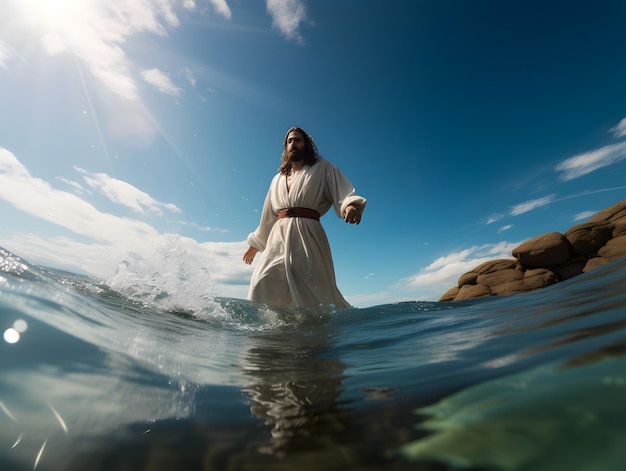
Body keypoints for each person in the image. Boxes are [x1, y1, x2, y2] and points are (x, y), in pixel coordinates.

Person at [243, 126, 366, 308]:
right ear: (285, 147)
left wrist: (349, 205)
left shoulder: (323, 168)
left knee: (311, 290)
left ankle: (315, 334)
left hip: (308, 234)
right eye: (289, 141)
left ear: (306, 144)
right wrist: (256, 244)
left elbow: (342, 190)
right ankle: (270, 335)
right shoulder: (277, 179)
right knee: (262, 281)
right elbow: (269, 215)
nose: (293, 144)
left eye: (297, 140)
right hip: (279, 236)